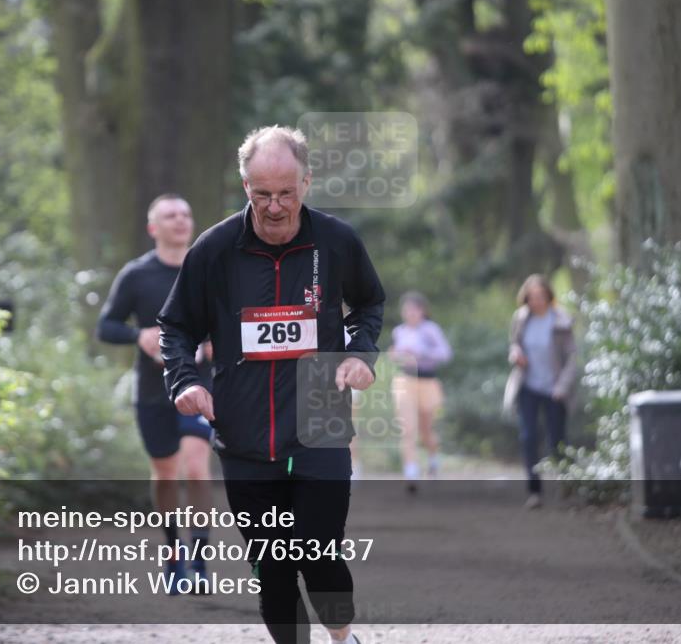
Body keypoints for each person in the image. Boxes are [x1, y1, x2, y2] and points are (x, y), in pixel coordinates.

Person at [158, 126, 384, 644]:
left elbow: (369, 303)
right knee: (273, 570)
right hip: (245, 436)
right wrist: (184, 380)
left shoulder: (337, 241)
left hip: (320, 425)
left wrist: (360, 353)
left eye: (286, 193)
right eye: (262, 194)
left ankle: (342, 637)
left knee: (319, 554)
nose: (275, 207)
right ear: (245, 187)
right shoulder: (215, 249)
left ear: (307, 182)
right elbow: (175, 325)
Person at [96, 194, 214, 593]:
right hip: (152, 390)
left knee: (195, 466)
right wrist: (139, 335)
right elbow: (107, 326)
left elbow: (235, 320)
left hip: (200, 384)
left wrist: (212, 344)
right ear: (153, 228)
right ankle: (174, 555)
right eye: (170, 215)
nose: (180, 220)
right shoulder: (136, 275)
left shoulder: (208, 268)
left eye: (185, 214)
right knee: (165, 472)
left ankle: (200, 560)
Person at [503, 274, 577, 509]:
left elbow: (572, 358)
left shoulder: (561, 321)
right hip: (528, 386)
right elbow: (514, 344)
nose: (535, 301)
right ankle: (534, 491)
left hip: (555, 388)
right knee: (528, 437)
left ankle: (566, 487)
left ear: (548, 296)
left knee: (557, 441)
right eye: (531, 297)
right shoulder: (521, 318)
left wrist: (562, 386)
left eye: (540, 297)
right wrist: (516, 354)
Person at [388, 291, 451, 493]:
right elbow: (396, 354)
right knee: (407, 428)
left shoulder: (430, 330)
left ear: (422, 311)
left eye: (414, 310)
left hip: (428, 381)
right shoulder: (399, 331)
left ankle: (433, 458)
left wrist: (421, 353)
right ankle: (411, 471)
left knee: (426, 430)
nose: (410, 314)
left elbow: (445, 354)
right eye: (407, 310)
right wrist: (396, 355)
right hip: (405, 380)